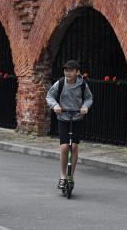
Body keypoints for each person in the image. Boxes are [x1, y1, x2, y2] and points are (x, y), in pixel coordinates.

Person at [46, 60, 93, 189]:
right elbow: (49, 96)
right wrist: (55, 105)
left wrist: (84, 107)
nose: (67, 72)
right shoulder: (60, 83)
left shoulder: (83, 85)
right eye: (66, 70)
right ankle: (63, 176)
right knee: (64, 147)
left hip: (77, 118)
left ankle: (70, 175)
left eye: (71, 70)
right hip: (63, 118)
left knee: (74, 147)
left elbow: (89, 98)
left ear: (77, 72)